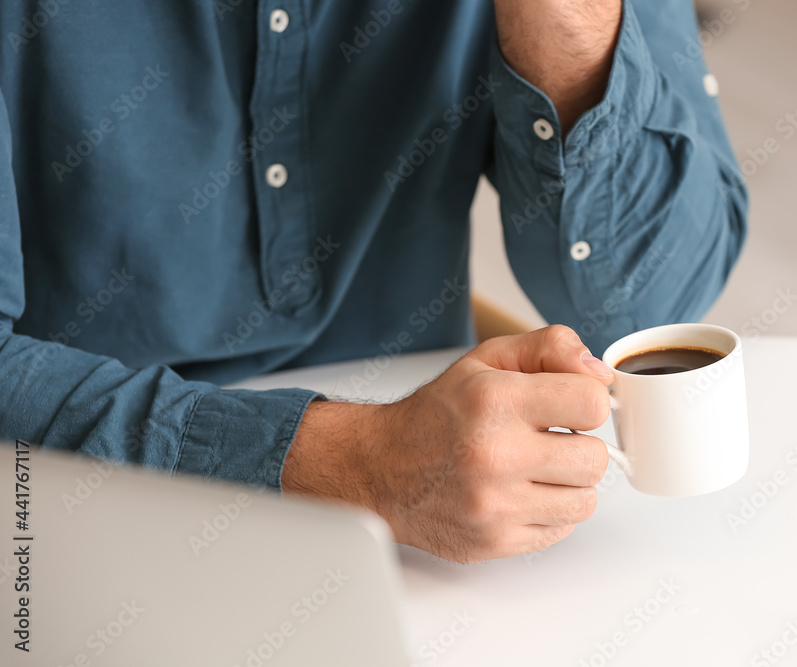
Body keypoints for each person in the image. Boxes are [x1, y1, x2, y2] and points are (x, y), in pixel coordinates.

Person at [0, 0, 746, 563]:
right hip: (63, 524)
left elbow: (647, 308)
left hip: (436, 528)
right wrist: (349, 462)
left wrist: (567, 29)